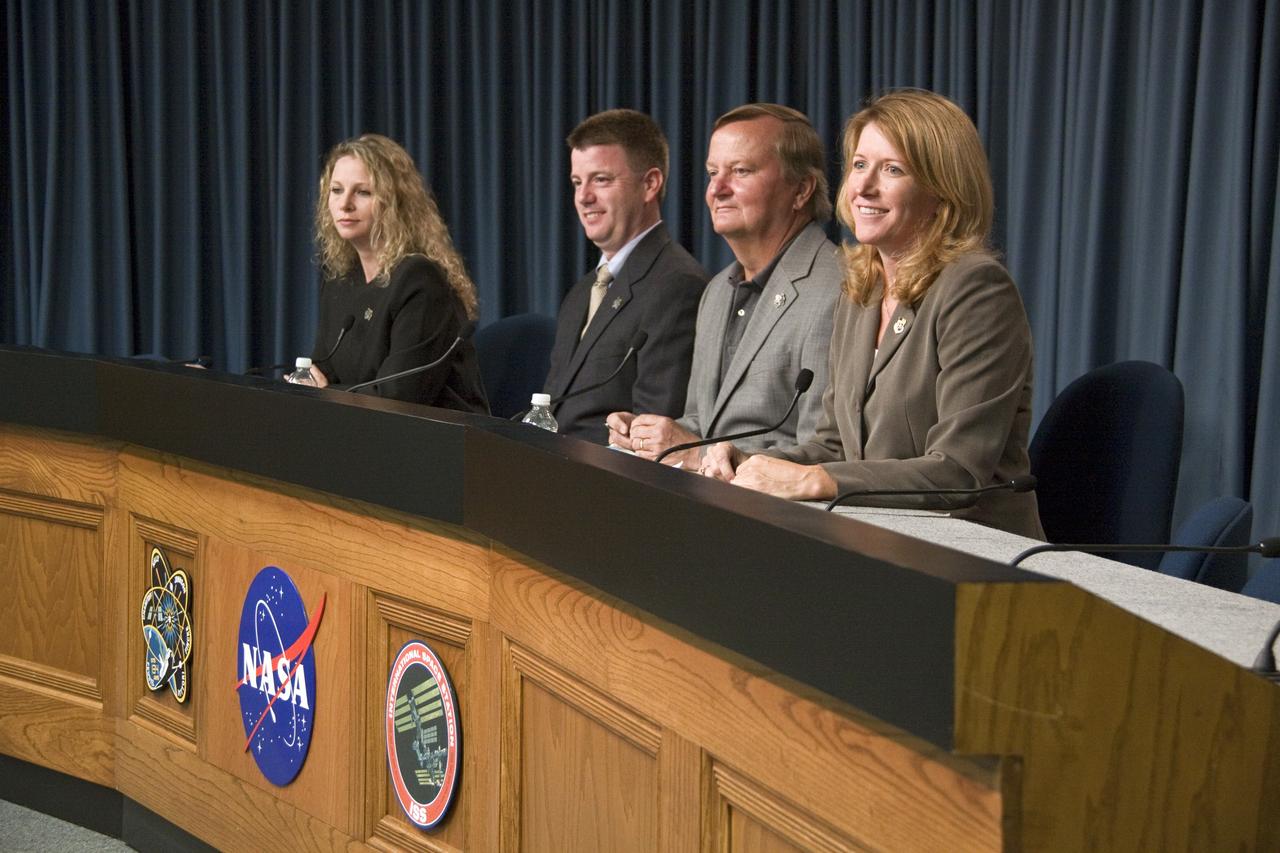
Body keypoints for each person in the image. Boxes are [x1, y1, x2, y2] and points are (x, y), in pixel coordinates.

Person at [702, 89, 1043, 538]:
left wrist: (815, 480)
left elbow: (958, 474)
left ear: (942, 191)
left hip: (974, 554)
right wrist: (752, 462)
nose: (862, 187)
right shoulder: (862, 289)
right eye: (860, 165)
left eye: (893, 170)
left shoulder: (975, 290)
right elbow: (833, 444)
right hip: (879, 540)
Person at [607, 104, 842, 467]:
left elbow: (828, 454)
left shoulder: (840, 288)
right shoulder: (716, 291)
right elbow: (704, 424)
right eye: (712, 173)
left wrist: (695, 450)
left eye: (741, 171)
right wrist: (647, 436)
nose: (717, 189)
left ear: (801, 189)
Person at [544, 110, 708, 443]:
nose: (583, 196)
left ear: (650, 184)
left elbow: (651, 435)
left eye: (601, 180)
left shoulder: (677, 285)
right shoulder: (581, 292)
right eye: (577, 182)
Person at [305, 133, 488, 413]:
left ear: (394, 203)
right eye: (336, 190)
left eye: (363, 192)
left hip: (441, 443)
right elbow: (320, 370)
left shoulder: (420, 280)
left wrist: (327, 393)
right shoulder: (341, 280)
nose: (345, 204)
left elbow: (400, 398)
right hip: (362, 431)